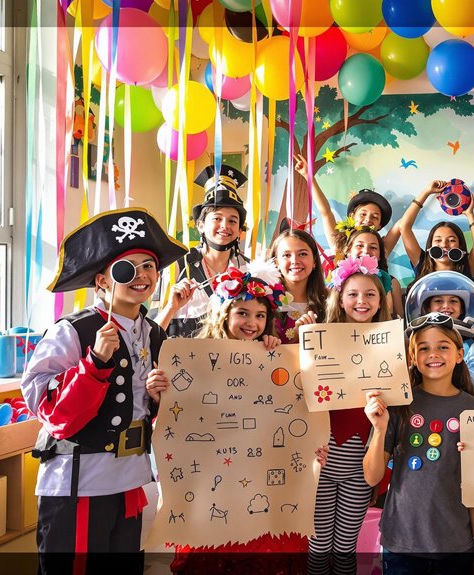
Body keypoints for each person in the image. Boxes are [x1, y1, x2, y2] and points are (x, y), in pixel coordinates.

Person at [23, 208, 187, 575]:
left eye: (149, 266)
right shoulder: (72, 331)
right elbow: (51, 413)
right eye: (128, 268)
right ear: (101, 281)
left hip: (130, 478)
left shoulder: (155, 334)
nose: (142, 275)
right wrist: (95, 362)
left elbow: (146, 410)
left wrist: (158, 398)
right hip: (79, 482)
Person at [145, 262, 328, 574]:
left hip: (264, 489)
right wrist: (159, 393)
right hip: (210, 488)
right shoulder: (195, 358)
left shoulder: (276, 358)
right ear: (224, 313)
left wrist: (310, 445)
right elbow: (179, 419)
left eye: (260, 315)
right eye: (243, 313)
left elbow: (291, 413)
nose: (252, 323)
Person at [362, 314, 474, 575]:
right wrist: (379, 427)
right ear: (412, 357)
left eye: (443, 346)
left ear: (460, 354)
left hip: (456, 545)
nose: (434, 354)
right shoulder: (398, 405)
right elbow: (371, 476)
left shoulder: (473, 409)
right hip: (402, 544)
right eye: (424, 348)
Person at [305, 255, 393, 575]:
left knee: (345, 547)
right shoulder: (320, 339)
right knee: (317, 546)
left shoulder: (391, 346)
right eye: (353, 293)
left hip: (360, 464)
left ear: (380, 300)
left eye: (370, 294)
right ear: (340, 299)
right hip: (323, 458)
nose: (361, 301)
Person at [154, 164, 251, 337]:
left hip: (235, 361)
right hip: (183, 361)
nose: (225, 226)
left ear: (239, 229)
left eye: (232, 221)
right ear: (201, 225)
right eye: (217, 218)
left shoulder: (248, 269)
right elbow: (151, 333)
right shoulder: (176, 266)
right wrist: (171, 307)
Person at [300, 154, 401, 256]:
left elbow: (401, 224)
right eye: (363, 214)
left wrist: (418, 202)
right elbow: (325, 212)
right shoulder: (339, 243)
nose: (368, 219)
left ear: (379, 225)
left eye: (375, 217)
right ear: (352, 216)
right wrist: (308, 176)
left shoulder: (381, 248)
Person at [397, 179, 474, 282]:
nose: (444, 245)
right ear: (430, 245)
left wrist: (470, 214)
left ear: (460, 245)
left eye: (451, 240)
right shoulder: (422, 263)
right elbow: (404, 227)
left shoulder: (467, 268)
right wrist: (427, 192)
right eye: (438, 240)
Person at [270, 228, 328, 344]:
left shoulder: (329, 299)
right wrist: (296, 338)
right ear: (276, 263)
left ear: (315, 261)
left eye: (302, 254)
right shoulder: (266, 300)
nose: (295, 261)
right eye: (286, 255)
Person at [404, 270, 474, 350]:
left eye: (453, 301)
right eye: (438, 301)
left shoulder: (472, 344)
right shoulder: (416, 339)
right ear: (428, 308)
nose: (446, 306)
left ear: (462, 309)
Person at [338, 226, 405, 318]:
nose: (366, 251)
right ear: (348, 250)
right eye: (360, 245)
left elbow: (397, 318)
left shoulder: (389, 282)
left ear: (380, 255)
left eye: (373, 247)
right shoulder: (336, 279)